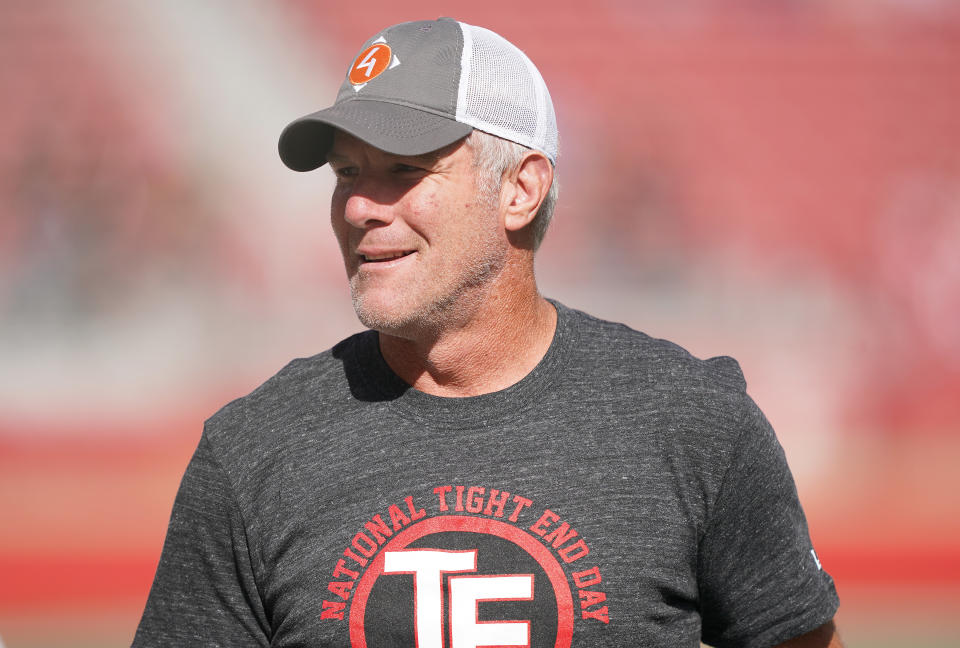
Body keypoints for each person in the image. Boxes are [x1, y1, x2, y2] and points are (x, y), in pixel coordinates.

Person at [133, 18, 842, 648]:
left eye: (404, 170)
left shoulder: (693, 422)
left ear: (520, 189)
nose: (358, 206)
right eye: (347, 173)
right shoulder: (253, 449)